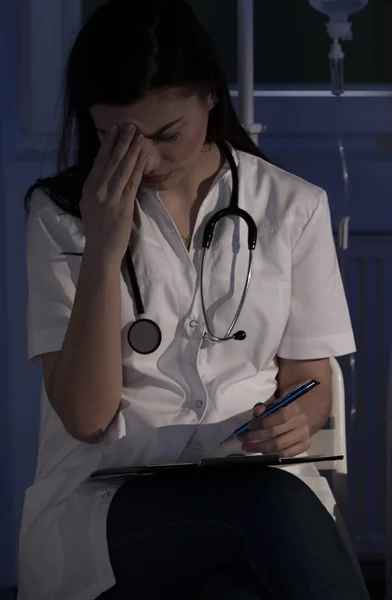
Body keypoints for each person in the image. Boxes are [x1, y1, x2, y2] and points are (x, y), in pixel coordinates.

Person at [18, 1, 370, 599]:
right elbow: (86, 416)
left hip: (252, 483)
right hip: (110, 503)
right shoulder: (62, 218)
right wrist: (105, 244)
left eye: (164, 135)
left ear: (210, 95)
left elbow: (310, 379)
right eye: (116, 139)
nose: (145, 160)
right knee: (266, 509)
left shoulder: (293, 206)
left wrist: (296, 420)